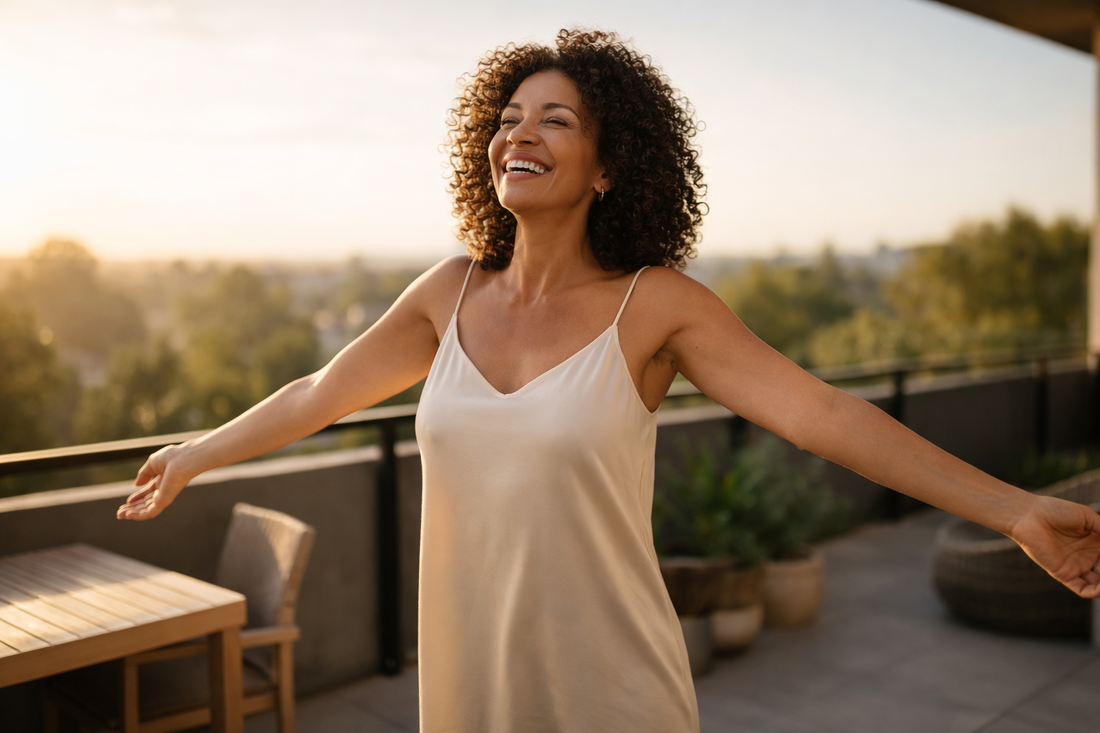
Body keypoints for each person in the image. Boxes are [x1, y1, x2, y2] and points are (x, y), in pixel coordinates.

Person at [118, 28, 1100, 733]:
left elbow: (821, 414)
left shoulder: (656, 307)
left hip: (608, 684)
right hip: (467, 681)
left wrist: (1015, 510)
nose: (520, 134)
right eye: (508, 118)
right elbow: (318, 393)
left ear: (607, 166)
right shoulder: (445, 293)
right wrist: (196, 453)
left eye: (555, 119)